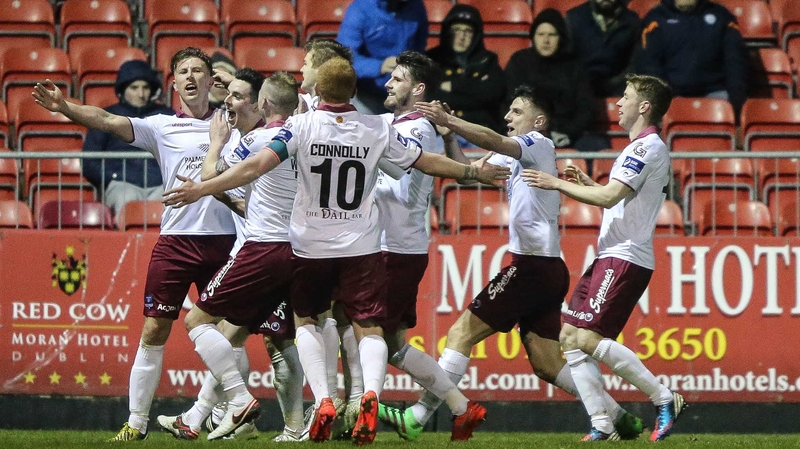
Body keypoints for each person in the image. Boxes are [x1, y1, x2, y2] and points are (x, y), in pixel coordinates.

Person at [160, 57, 509, 445]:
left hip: (311, 246)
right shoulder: (376, 126)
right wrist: (474, 172)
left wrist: (202, 188)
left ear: (320, 92)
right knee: (370, 328)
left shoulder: (301, 125)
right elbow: (426, 163)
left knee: (308, 320)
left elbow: (257, 165)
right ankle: (368, 395)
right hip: (362, 246)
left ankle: (325, 399)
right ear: (355, 93)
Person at [380, 85, 644, 442]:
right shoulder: (519, 155)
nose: (508, 117)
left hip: (532, 268)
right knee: (548, 364)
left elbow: (493, 140)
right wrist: (448, 137)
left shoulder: (538, 143)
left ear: (539, 120)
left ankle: (418, 416)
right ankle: (618, 416)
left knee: (460, 333)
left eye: (517, 112)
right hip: (546, 268)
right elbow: (470, 170)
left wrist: (450, 120)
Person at [32, 47, 238, 442]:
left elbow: (278, 111)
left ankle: (230, 411)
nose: (191, 76)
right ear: (174, 83)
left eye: (199, 70)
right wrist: (65, 108)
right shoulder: (160, 126)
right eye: (183, 71)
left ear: (212, 81)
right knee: (154, 330)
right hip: (177, 242)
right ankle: (137, 422)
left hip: (227, 243)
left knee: (233, 332)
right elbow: (107, 119)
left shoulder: (235, 122)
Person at [521, 74, 686, 441]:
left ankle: (663, 398)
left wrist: (557, 184)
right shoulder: (638, 147)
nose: (618, 103)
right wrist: (588, 186)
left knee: (589, 339)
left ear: (644, 106)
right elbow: (619, 199)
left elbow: (611, 198)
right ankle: (602, 423)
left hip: (625, 256)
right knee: (569, 336)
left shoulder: (646, 148)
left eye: (625, 97)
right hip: (610, 254)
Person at [154, 70, 307, 442]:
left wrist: (214, 143)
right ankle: (216, 417)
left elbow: (212, 175)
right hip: (298, 248)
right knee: (260, 337)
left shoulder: (254, 141)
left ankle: (239, 403)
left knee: (200, 323)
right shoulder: (302, 131)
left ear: (261, 104)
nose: (229, 102)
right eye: (229, 95)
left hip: (262, 250)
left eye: (239, 96)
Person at [82, 60, 174, 218]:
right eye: (134, 88)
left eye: (145, 88)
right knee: (126, 200)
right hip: (121, 184)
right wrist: (113, 177)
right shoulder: (106, 117)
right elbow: (90, 160)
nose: (141, 94)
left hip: (161, 185)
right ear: (123, 90)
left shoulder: (166, 116)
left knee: (168, 205)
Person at [505, 9, 601, 152]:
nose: (546, 40)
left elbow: (586, 109)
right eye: (541, 34)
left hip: (567, 134)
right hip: (525, 133)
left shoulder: (574, 66)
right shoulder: (519, 62)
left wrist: (568, 132)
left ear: (561, 37)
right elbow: (508, 102)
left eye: (552, 35)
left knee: (595, 146)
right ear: (533, 37)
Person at [637, 0, 747, 114]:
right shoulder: (656, 18)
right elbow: (649, 64)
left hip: (715, 92)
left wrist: (736, 102)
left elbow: (735, 62)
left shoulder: (722, 16)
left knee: (724, 112)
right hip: (671, 95)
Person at [426, 4, 505, 144]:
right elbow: (429, 98)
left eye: (468, 31)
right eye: (456, 30)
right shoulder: (431, 60)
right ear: (447, 31)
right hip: (439, 134)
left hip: (479, 132)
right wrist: (474, 90)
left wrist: (453, 86)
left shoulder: (488, 60)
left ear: (476, 35)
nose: (461, 37)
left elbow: (492, 94)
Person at [337, 0, 428, 114]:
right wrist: (380, 66)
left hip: (404, 96)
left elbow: (420, 46)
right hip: (366, 95)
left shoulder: (416, 6)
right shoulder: (360, 8)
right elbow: (343, 57)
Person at [566, 0, 641, 98]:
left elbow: (635, 63)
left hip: (619, 89)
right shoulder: (573, 19)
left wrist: (613, 84)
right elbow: (565, 62)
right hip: (579, 90)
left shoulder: (632, 22)